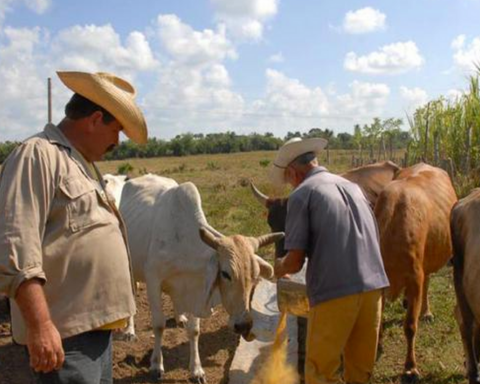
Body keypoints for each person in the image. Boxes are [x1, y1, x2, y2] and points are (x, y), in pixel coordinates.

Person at [0, 71, 148, 383]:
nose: (116, 142)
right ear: (95, 119)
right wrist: (40, 326)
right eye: (116, 130)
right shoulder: (37, 155)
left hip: (96, 335)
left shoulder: (81, 164)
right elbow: (16, 246)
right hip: (65, 337)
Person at [271, 137, 389, 384]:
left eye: (288, 179)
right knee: (360, 371)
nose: (290, 183)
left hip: (335, 294)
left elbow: (293, 263)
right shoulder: (353, 187)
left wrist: (276, 268)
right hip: (374, 290)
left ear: (293, 172)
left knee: (319, 371)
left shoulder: (303, 194)